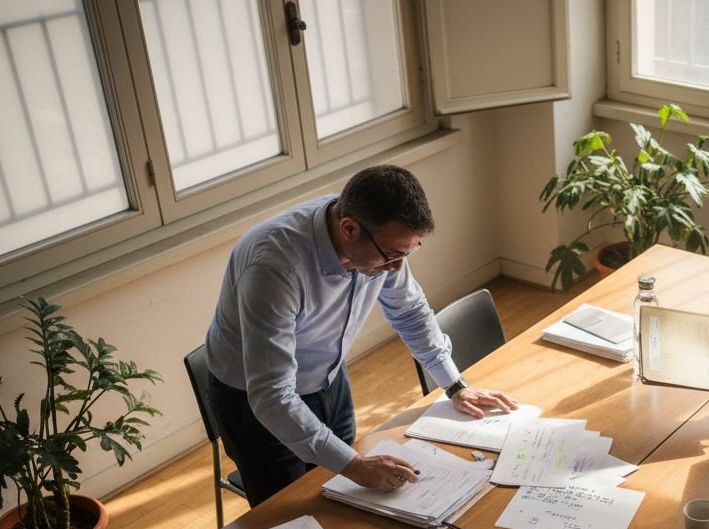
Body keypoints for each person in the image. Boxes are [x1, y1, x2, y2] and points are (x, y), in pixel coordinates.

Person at [205, 165, 517, 506]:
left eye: (408, 253)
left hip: (329, 377)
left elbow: (409, 311)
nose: (397, 268)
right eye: (393, 256)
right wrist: (353, 466)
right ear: (349, 229)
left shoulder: (379, 242)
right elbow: (272, 396)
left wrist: (454, 386)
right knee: (288, 515)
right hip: (254, 403)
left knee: (344, 502)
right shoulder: (273, 266)